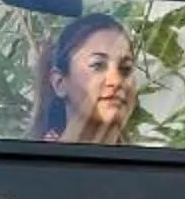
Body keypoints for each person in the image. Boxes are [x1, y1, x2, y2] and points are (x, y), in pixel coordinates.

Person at [36, 12, 139, 145]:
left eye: (126, 69)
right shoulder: (31, 162)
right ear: (59, 83)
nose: (116, 81)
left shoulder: (151, 164)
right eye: (98, 65)